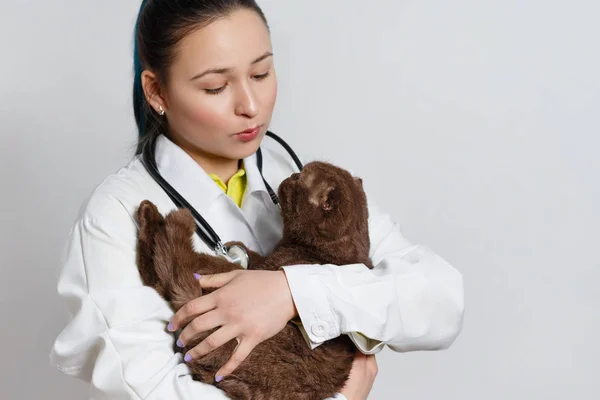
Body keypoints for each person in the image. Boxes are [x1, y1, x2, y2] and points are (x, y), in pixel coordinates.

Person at [49, 1, 465, 399]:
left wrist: (292, 292)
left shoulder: (299, 181)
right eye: (216, 87)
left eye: (262, 73)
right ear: (157, 92)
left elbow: (439, 300)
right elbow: (146, 388)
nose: (251, 106)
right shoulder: (114, 216)